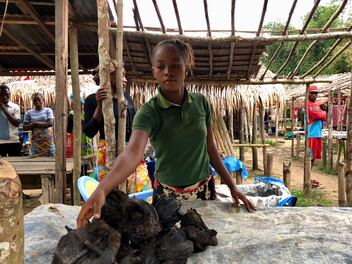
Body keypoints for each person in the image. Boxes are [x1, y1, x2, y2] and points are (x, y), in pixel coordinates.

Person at [77, 39, 256, 228]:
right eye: (161, 67)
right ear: (154, 72)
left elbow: (211, 149)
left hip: (204, 191)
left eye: (175, 66)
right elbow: (132, 154)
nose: (168, 72)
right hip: (167, 196)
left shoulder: (201, 103)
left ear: (185, 68)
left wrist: (232, 186)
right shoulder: (149, 111)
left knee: (205, 239)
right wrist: (102, 190)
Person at [304, 85, 326, 187]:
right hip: (311, 135)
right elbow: (318, 115)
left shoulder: (315, 105)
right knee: (310, 157)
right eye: (312, 93)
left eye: (316, 93)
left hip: (317, 134)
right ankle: (307, 180)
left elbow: (324, 115)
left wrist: (322, 114)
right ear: (308, 93)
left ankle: (308, 178)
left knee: (313, 158)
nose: (314, 95)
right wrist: (321, 114)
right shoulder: (307, 105)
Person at [23, 92, 55, 157]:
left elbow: (50, 123)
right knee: (36, 159)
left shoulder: (48, 110)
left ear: (42, 100)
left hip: (48, 141)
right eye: (35, 101)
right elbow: (25, 127)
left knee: (50, 157)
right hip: (36, 141)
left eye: (39, 100)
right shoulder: (29, 113)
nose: (37, 102)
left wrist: (35, 124)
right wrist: (36, 124)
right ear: (33, 102)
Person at [0, 84, 21, 156]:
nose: (4, 97)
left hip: (13, 141)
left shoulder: (15, 107)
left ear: (10, 94)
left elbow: (17, 123)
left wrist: (5, 110)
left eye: (7, 94)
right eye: (2, 95)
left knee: (16, 165)